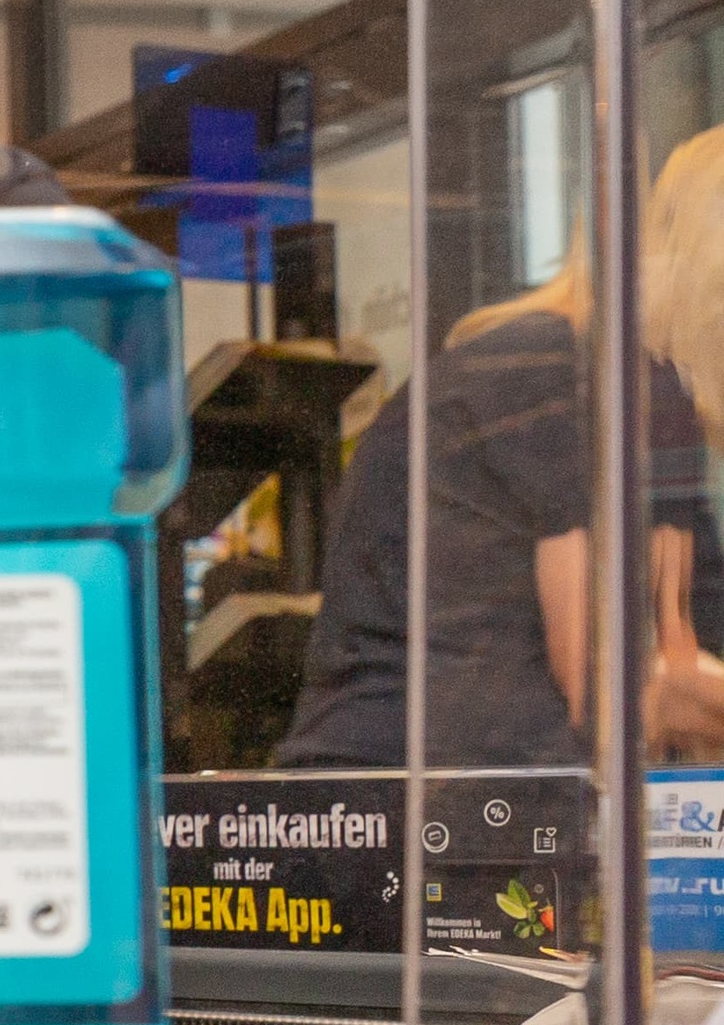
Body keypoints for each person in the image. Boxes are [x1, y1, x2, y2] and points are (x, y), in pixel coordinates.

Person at [279, 125, 724, 773]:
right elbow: (613, 691)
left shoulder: (590, 378)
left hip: (397, 797)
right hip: (410, 811)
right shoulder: (569, 376)